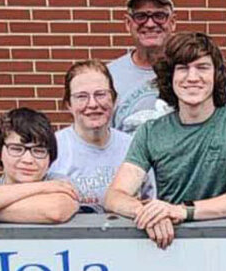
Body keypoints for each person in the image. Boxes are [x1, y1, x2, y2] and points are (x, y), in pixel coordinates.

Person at [104, 32, 226, 249]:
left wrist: (182, 210)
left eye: (202, 67)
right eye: (182, 68)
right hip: (171, 245)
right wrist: (149, 213)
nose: (192, 77)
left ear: (217, 75)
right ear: (170, 77)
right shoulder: (150, 132)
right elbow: (114, 196)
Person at [108, 0, 226, 135]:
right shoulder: (109, 76)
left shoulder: (202, 70)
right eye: (140, 16)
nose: (150, 24)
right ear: (128, 23)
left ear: (172, 22)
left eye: (159, 16)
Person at [49, 60, 154, 212]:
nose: (92, 104)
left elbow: (150, 201)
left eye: (100, 94)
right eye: (81, 96)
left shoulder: (134, 147)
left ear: (114, 99)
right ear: (68, 105)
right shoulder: (52, 149)